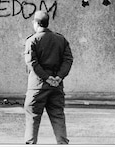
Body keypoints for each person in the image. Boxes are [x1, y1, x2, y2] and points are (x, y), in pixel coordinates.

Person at [24, 10, 73, 144]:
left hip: (37, 86)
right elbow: (68, 59)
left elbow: (32, 63)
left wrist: (46, 78)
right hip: (56, 86)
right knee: (58, 116)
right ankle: (62, 143)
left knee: (32, 118)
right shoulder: (60, 39)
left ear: (36, 23)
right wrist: (58, 77)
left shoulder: (32, 40)